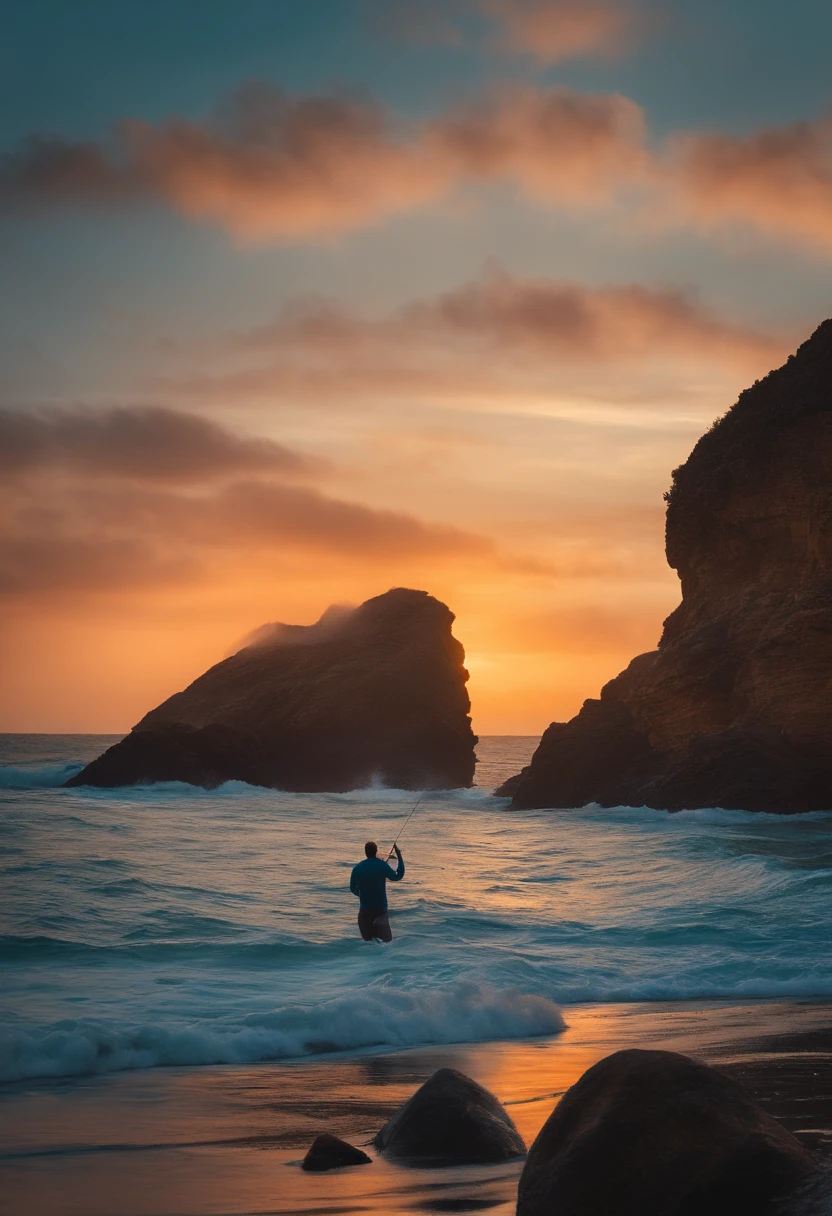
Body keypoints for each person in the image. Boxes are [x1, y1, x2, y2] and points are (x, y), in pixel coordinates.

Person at [349, 840, 405, 942]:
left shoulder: (357, 868)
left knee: (369, 946)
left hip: (365, 912)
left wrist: (362, 894)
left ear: (365, 852)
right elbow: (398, 876)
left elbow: (352, 889)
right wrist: (399, 855)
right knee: (386, 943)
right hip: (380, 912)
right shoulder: (382, 865)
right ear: (376, 851)